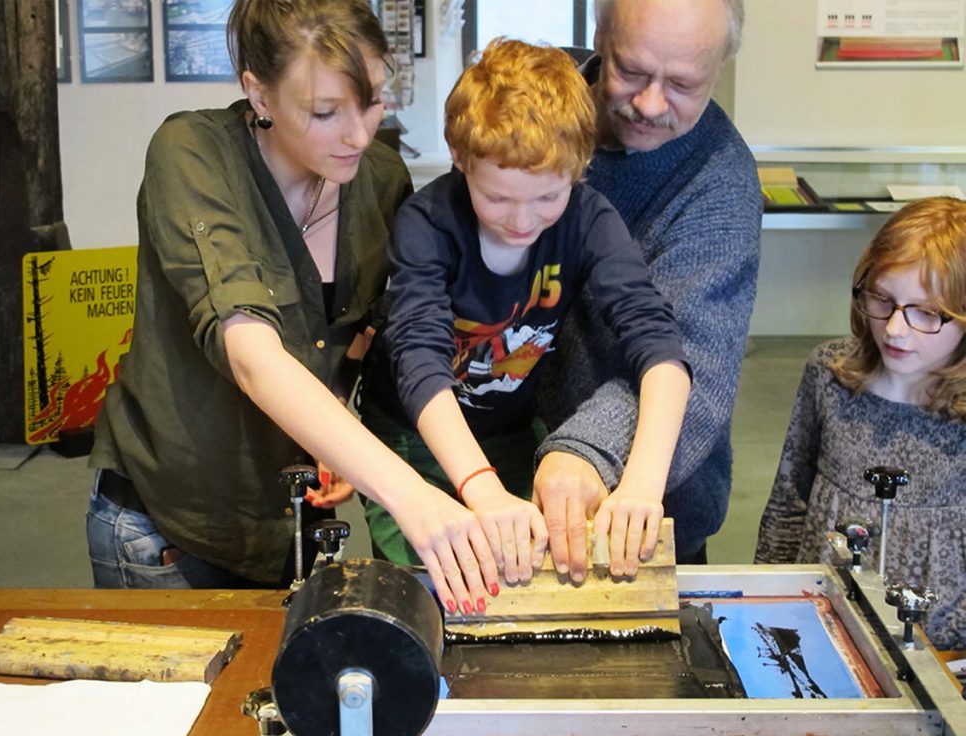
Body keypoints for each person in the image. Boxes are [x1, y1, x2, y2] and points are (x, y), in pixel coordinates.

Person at [86, 0, 499, 616]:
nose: (359, 134)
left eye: (374, 100)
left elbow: (354, 334)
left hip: (287, 525)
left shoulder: (380, 179)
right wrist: (411, 498)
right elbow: (253, 355)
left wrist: (332, 428)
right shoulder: (193, 156)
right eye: (326, 112)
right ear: (259, 93)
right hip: (171, 522)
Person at [359, 38, 691, 586]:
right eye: (497, 198)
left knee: (526, 570)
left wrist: (640, 485)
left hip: (510, 426)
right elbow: (419, 359)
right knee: (433, 579)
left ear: (578, 170)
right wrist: (480, 488)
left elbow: (659, 346)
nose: (521, 220)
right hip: (411, 433)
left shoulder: (587, 218)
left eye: (545, 199)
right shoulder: (428, 223)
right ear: (460, 158)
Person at [532, 0, 763, 581]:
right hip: (501, 485)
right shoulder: (530, 110)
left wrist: (588, 450)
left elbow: (691, 357)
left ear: (723, 64)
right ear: (600, 33)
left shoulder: (720, 181)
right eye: (631, 71)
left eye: (682, 84)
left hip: (643, 511)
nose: (650, 104)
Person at [756, 197, 966, 650]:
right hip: (821, 629)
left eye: (926, 312)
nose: (894, 329)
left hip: (942, 650)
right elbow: (789, 504)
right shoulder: (829, 374)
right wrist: (766, 602)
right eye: (883, 300)